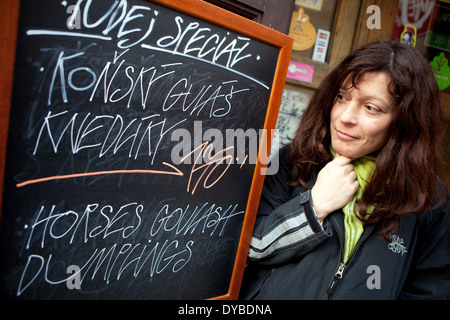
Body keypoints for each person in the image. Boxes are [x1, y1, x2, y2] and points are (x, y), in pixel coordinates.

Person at [239, 41, 450, 300]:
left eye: (371, 107)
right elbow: (248, 248)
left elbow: (426, 290)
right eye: (342, 97)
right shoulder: (295, 160)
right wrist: (313, 207)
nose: (345, 116)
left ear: (404, 122)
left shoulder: (427, 198)